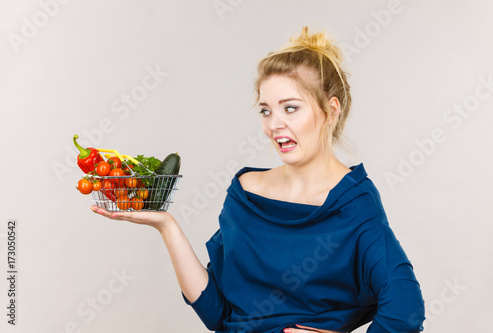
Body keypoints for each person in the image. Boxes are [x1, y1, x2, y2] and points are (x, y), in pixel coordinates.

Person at [91, 26, 426, 333]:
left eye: (290, 108)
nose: (273, 124)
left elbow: (405, 312)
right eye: (266, 110)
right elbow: (218, 315)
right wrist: (166, 226)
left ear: (331, 110)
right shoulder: (246, 193)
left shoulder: (354, 203)